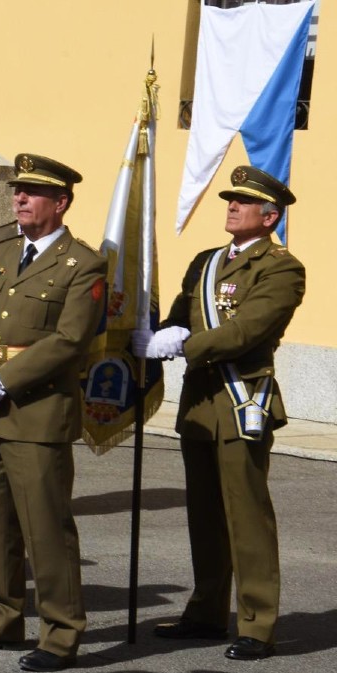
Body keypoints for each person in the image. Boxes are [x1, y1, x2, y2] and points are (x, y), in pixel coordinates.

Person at [133, 166, 305, 662]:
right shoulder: (205, 262)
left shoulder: (280, 268)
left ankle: (257, 624)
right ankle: (206, 612)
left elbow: (248, 331)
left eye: (243, 201)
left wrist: (185, 342)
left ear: (269, 216)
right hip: (201, 406)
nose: (231, 205)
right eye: (229, 199)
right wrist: (157, 333)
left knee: (246, 518)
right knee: (204, 516)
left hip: (240, 401)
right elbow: (180, 319)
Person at [0, 154, 105, 673]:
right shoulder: (3, 246)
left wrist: (6, 379)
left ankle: (60, 633)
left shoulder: (84, 264)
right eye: (17, 190)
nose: (19, 198)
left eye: (31, 192)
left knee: (45, 527)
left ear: (59, 203)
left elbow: (70, 340)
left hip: (37, 412)